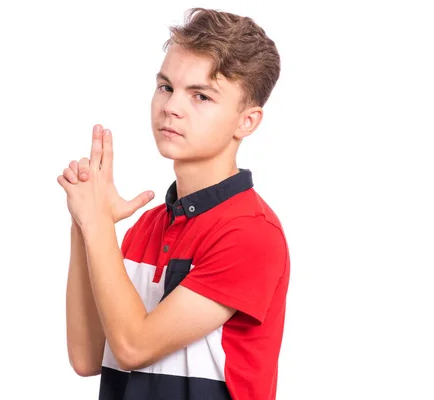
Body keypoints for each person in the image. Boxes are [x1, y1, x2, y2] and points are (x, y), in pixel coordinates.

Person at [56, 7, 290, 400]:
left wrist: (98, 227)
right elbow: (86, 357)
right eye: (166, 86)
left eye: (200, 95)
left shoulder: (250, 233)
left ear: (246, 122)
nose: (171, 107)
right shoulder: (147, 227)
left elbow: (133, 346)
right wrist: (84, 223)